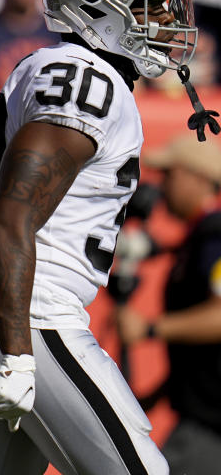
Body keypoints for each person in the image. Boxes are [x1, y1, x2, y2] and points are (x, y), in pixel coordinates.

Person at [0, 0, 211, 474]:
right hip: (29, 312)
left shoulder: (66, 70)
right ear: (102, 5)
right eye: (150, 5)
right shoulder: (83, 76)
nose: (168, 22)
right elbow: (12, 220)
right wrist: (20, 352)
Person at [118, 134, 221, 475]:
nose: (161, 187)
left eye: (170, 175)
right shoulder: (198, 238)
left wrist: (149, 328)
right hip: (200, 416)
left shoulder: (214, 235)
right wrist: (155, 396)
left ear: (198, 177)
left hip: (210, 425)